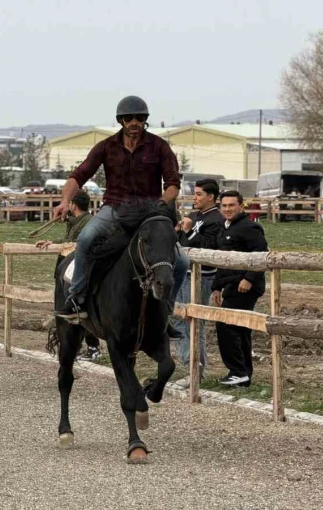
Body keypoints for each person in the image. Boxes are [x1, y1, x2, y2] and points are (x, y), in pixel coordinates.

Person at [52, 96, 189, 331]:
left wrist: (162, 202)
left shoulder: (159, 146)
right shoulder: (106, 146)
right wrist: (64, 201)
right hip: (114, 209)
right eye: (129, 118)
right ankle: (76, 300)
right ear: (121, 120)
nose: (134, 122)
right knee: (85, 240)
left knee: (182, 261)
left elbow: (172, 184)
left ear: (145, 120)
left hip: (149, 212)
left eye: (140, 118)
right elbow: (78, 176)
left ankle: (165, 311)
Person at [211, 191, 268, 387]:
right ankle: (243, 375)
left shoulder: (250, 227)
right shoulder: (224, 228)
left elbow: (262, 253)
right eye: (224, 205)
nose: (227, 209)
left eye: (231, 205)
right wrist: (216, 287)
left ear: (241, 206)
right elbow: (222, 260)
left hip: (245, 286)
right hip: (230, 284)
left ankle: (237, 371)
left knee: (226, 324)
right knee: (240, 328)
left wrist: (249, 278)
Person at [37, 190, 102, 360]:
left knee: (81, 307)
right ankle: (76, 344)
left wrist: (56, 242)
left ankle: (93, 346)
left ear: (73, 205)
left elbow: (76, 242)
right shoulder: (77, 221)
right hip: (67, 268)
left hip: (77, 270)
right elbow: (69, 237)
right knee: (69, 308)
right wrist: (54, 239)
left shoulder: (87, 222)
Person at [172, 178, 223, 388]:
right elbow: (184, 243)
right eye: (195, 193)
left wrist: (189, 231)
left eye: (199, 194)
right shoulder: (194, 216)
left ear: (211, 196)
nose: (195, 197)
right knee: (177, 317)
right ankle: (190, 365)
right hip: (183, 272)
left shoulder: (216, 219)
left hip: (201, 275)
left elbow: (209, 248)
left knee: (193, 321)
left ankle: (195, 369)